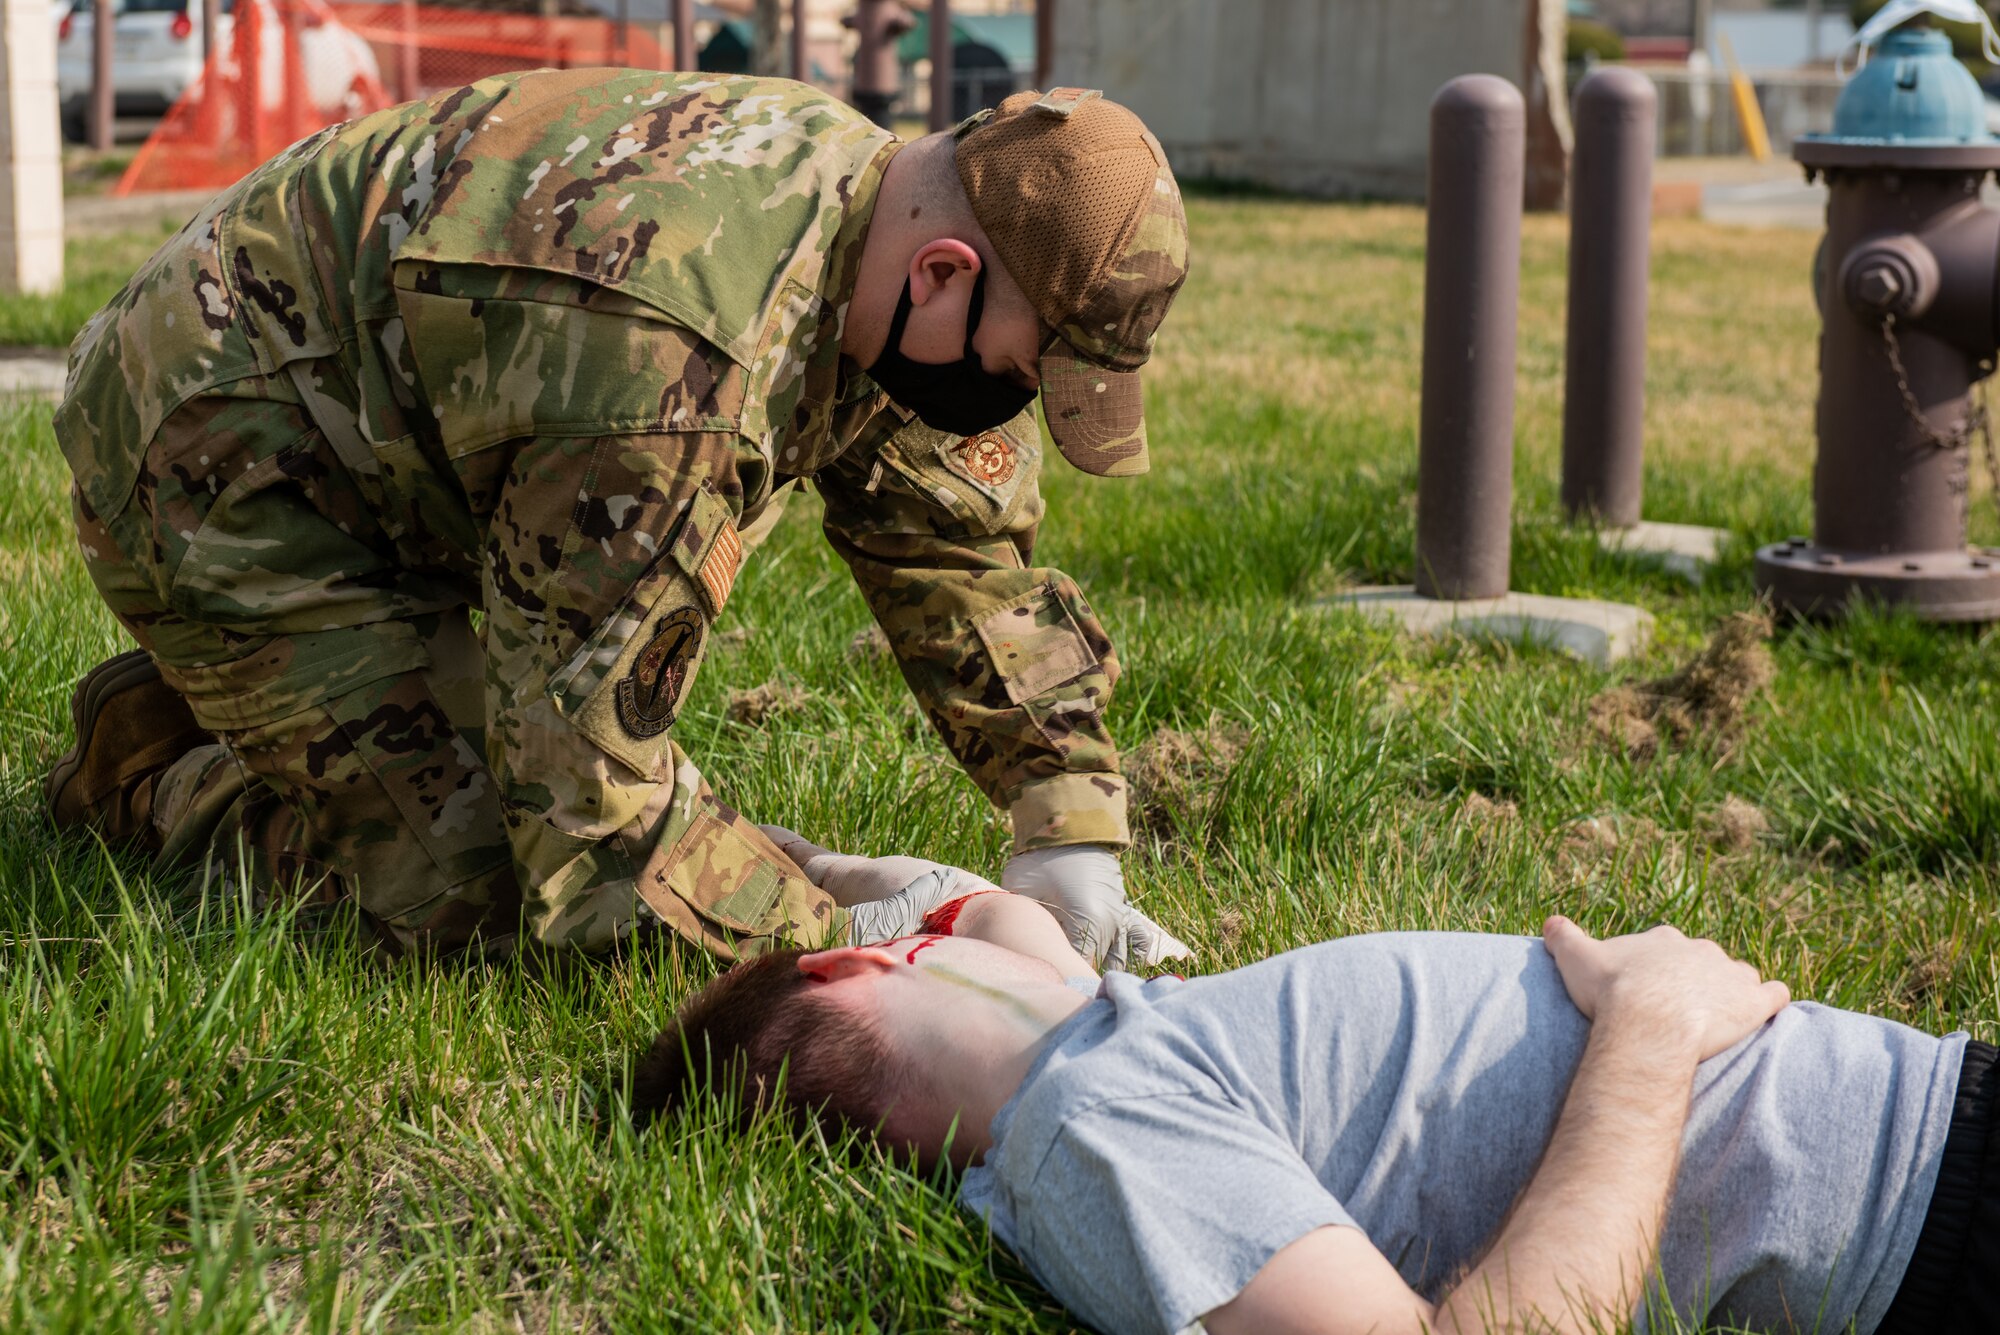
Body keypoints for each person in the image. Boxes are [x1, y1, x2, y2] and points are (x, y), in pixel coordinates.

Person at [43, 70, 1190, 966]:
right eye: (1022, 369)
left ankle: (309, 715)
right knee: (481, 896)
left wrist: (1067, 829)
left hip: (407, 432)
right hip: (215, 457)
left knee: (548, 831)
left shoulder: (874, 215)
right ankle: (155, 766)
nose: (1015, 400)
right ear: (942, 274)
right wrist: (841, 924)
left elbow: (957, 548)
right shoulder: (671, 368)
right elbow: (584, 810)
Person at [636, 918, 1996, 1335]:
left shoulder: (1102, 1042)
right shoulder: (1087, 1134)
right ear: (855, 963)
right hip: (1934, 1201)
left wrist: (833, 874)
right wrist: (1650, 1019)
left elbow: (997, 911)